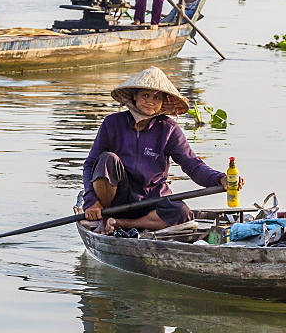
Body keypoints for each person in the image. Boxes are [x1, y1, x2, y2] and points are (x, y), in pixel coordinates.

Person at [82, 66, 242, 234]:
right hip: (115, 200)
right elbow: (91, 164)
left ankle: (122, 223)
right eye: (145, 95)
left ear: (162, 103)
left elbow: (192, 165)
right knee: (107, 159)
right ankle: (106, 218)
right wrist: (91, 201)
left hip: (151, 199)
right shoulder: (112, 123)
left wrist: (220, 179)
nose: (150, 101)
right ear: (134, 96)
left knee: (181, 213)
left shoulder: (169, 128)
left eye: (156, 98)